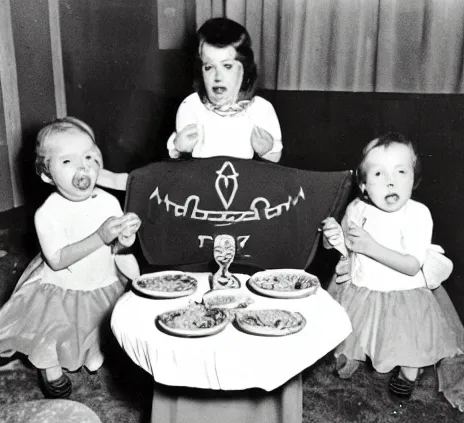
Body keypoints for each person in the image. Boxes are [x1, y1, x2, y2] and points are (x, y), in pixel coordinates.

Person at [0, 117, 141, 399]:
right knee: (52, 330)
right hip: (61, 286)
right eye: (67, 161)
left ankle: (90, 356)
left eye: (89, 156)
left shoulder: (108, 202)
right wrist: (100, 236)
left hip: (100, 279)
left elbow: (116, 247)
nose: (83, 166)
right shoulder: (49, 213)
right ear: (47, 175)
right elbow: (59, 259)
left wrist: (124, 238)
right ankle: (50, 369)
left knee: (95, 325)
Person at [322, 132, 462, 399]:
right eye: (378, 174)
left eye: (400, 172)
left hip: (404, 294)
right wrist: (333, 239)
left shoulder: (417, 214)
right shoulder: (357, 208)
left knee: (407, 335)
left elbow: (411, 265)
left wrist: (371, 247)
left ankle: (411, 369)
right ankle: (355, 353)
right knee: (356, 324)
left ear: (413, 178)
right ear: (363, 185)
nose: (390, 182)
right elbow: (346, 247)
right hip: (364, 286)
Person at [167, 17, 283, 162]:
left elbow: (275, 159)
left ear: (244, 70)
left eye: (227, 66)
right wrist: (179, 147)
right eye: (208, 67)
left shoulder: (261, 109)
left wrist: (268, 148)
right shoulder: (191, 106)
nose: (217, 77)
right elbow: (175, 167)